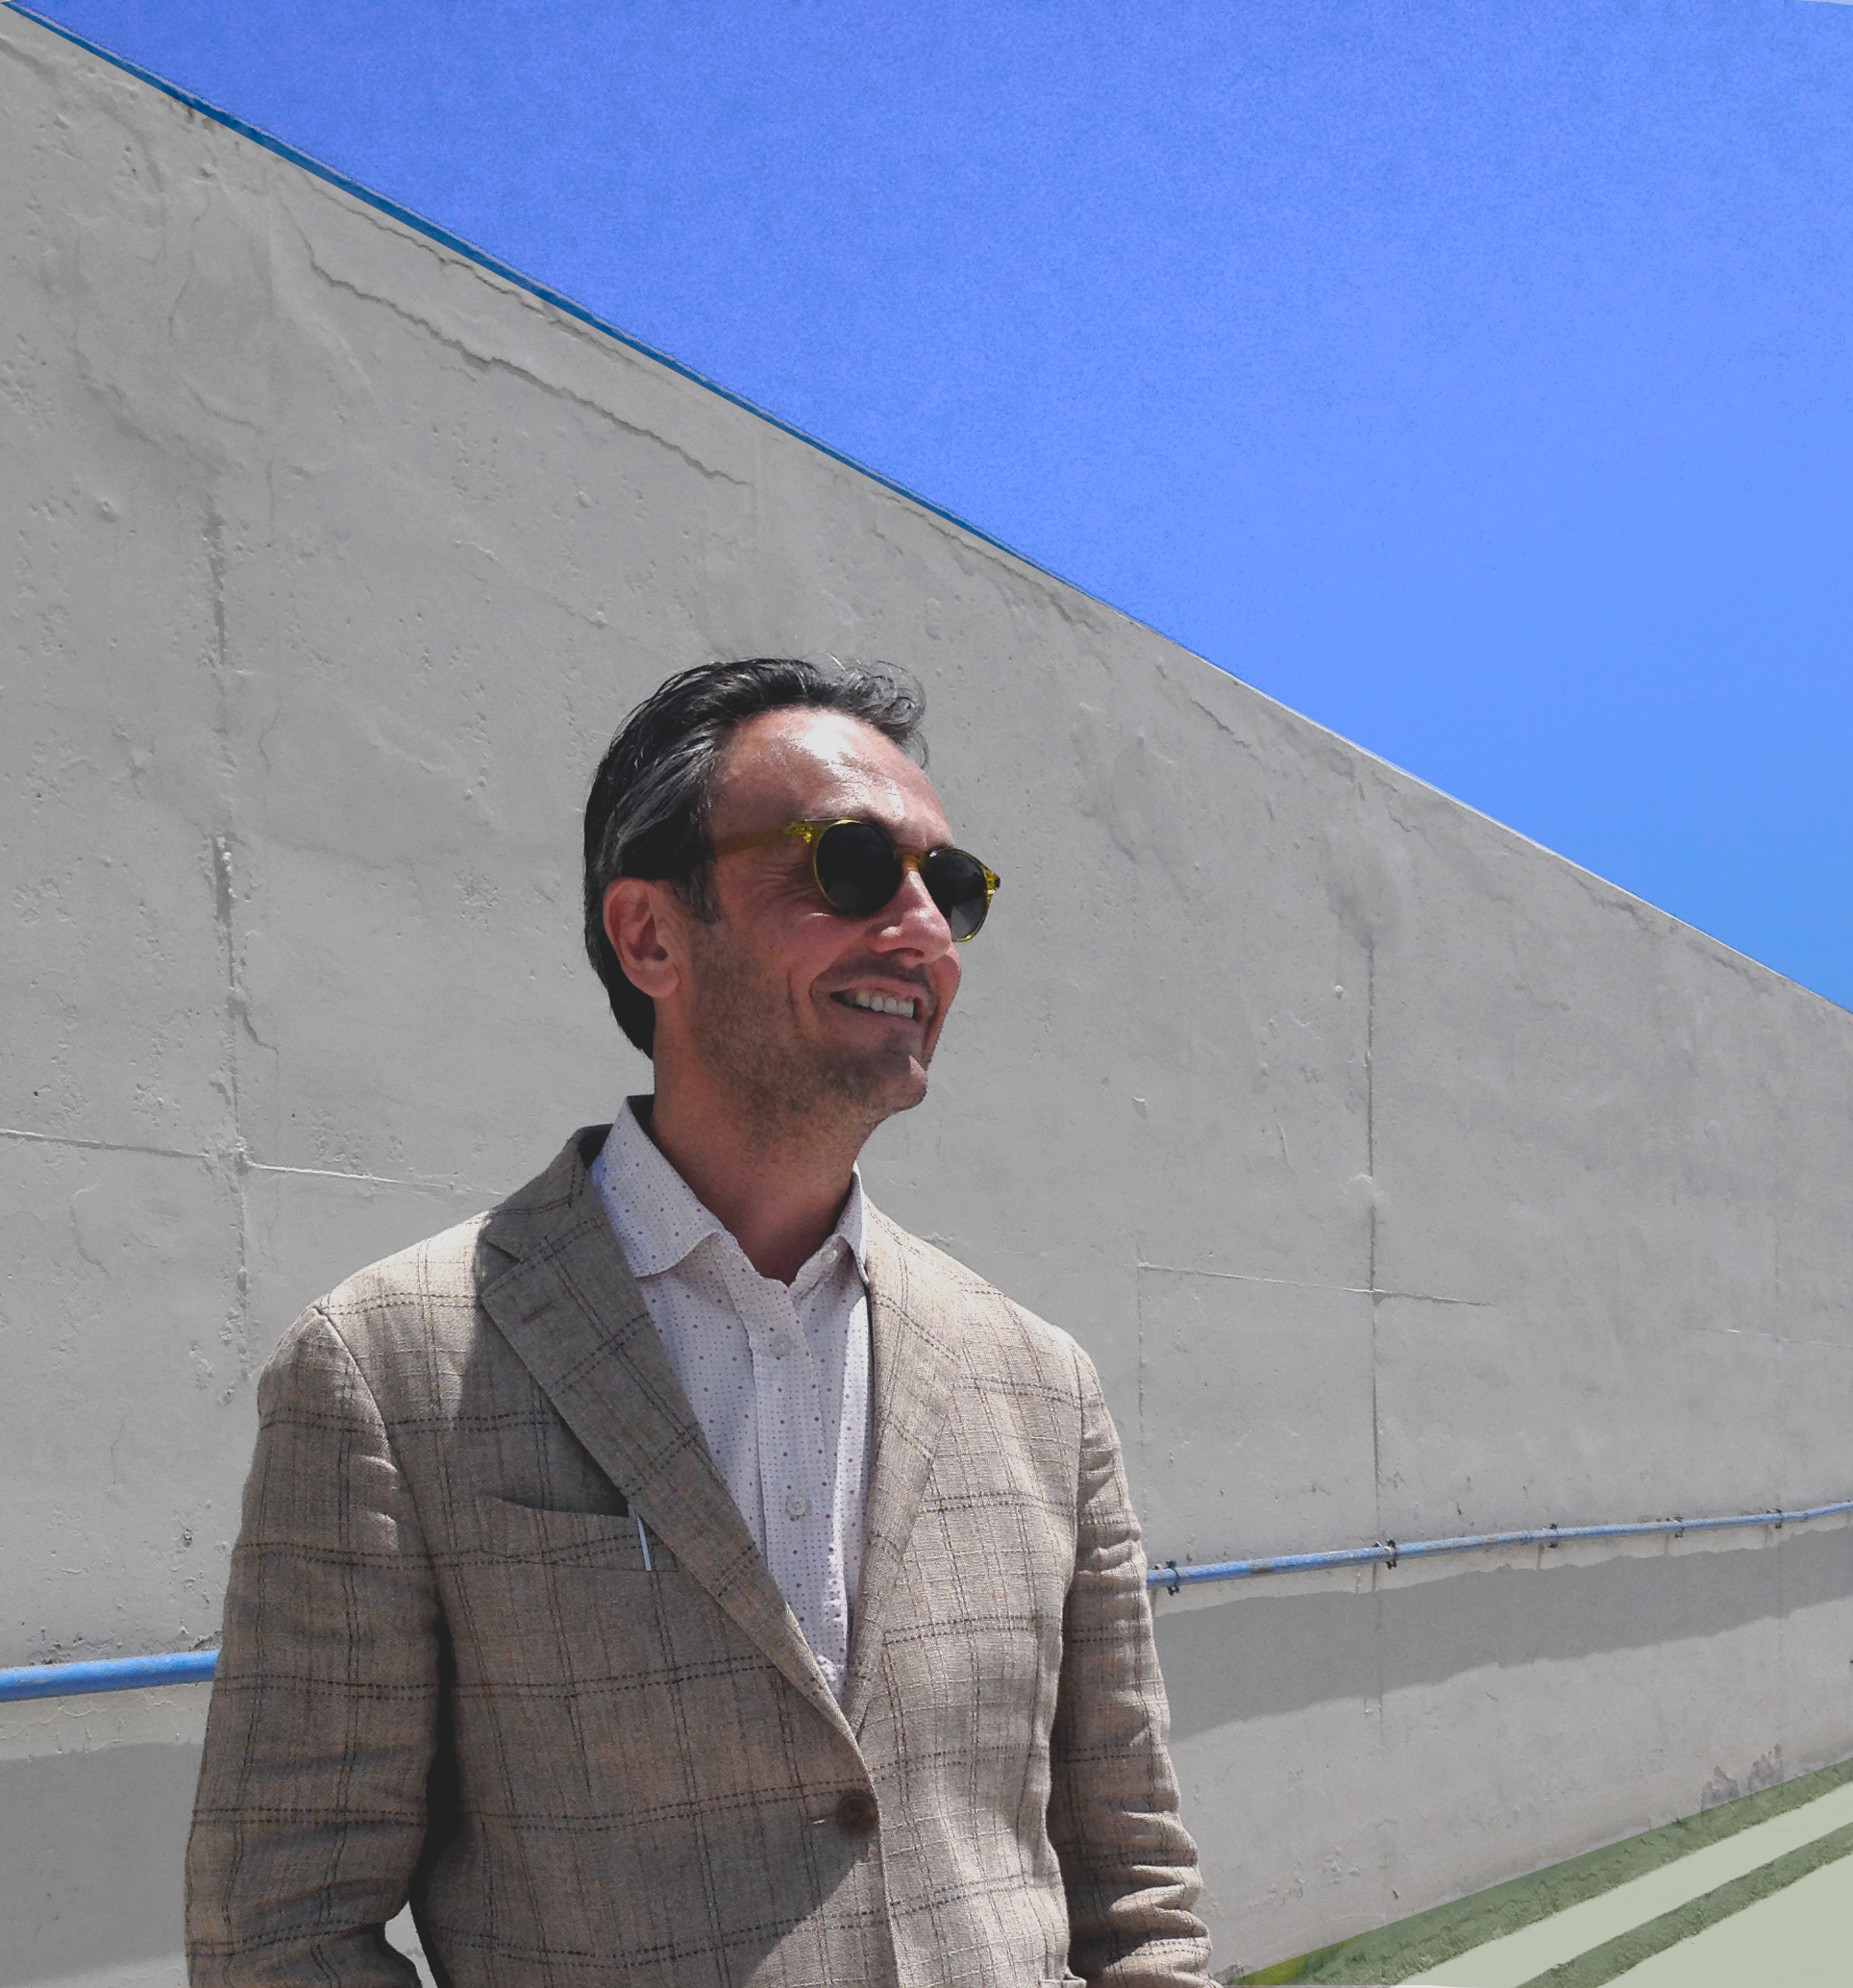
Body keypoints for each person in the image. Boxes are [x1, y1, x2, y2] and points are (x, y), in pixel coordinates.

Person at [185, 658, 1211, 1988]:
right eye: (850, 865)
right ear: (651, 936)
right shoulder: (387, 1368)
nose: (923, 929)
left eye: (951, 887)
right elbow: (282, 1934)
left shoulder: (1041, 1385)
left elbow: (1136, 1892)